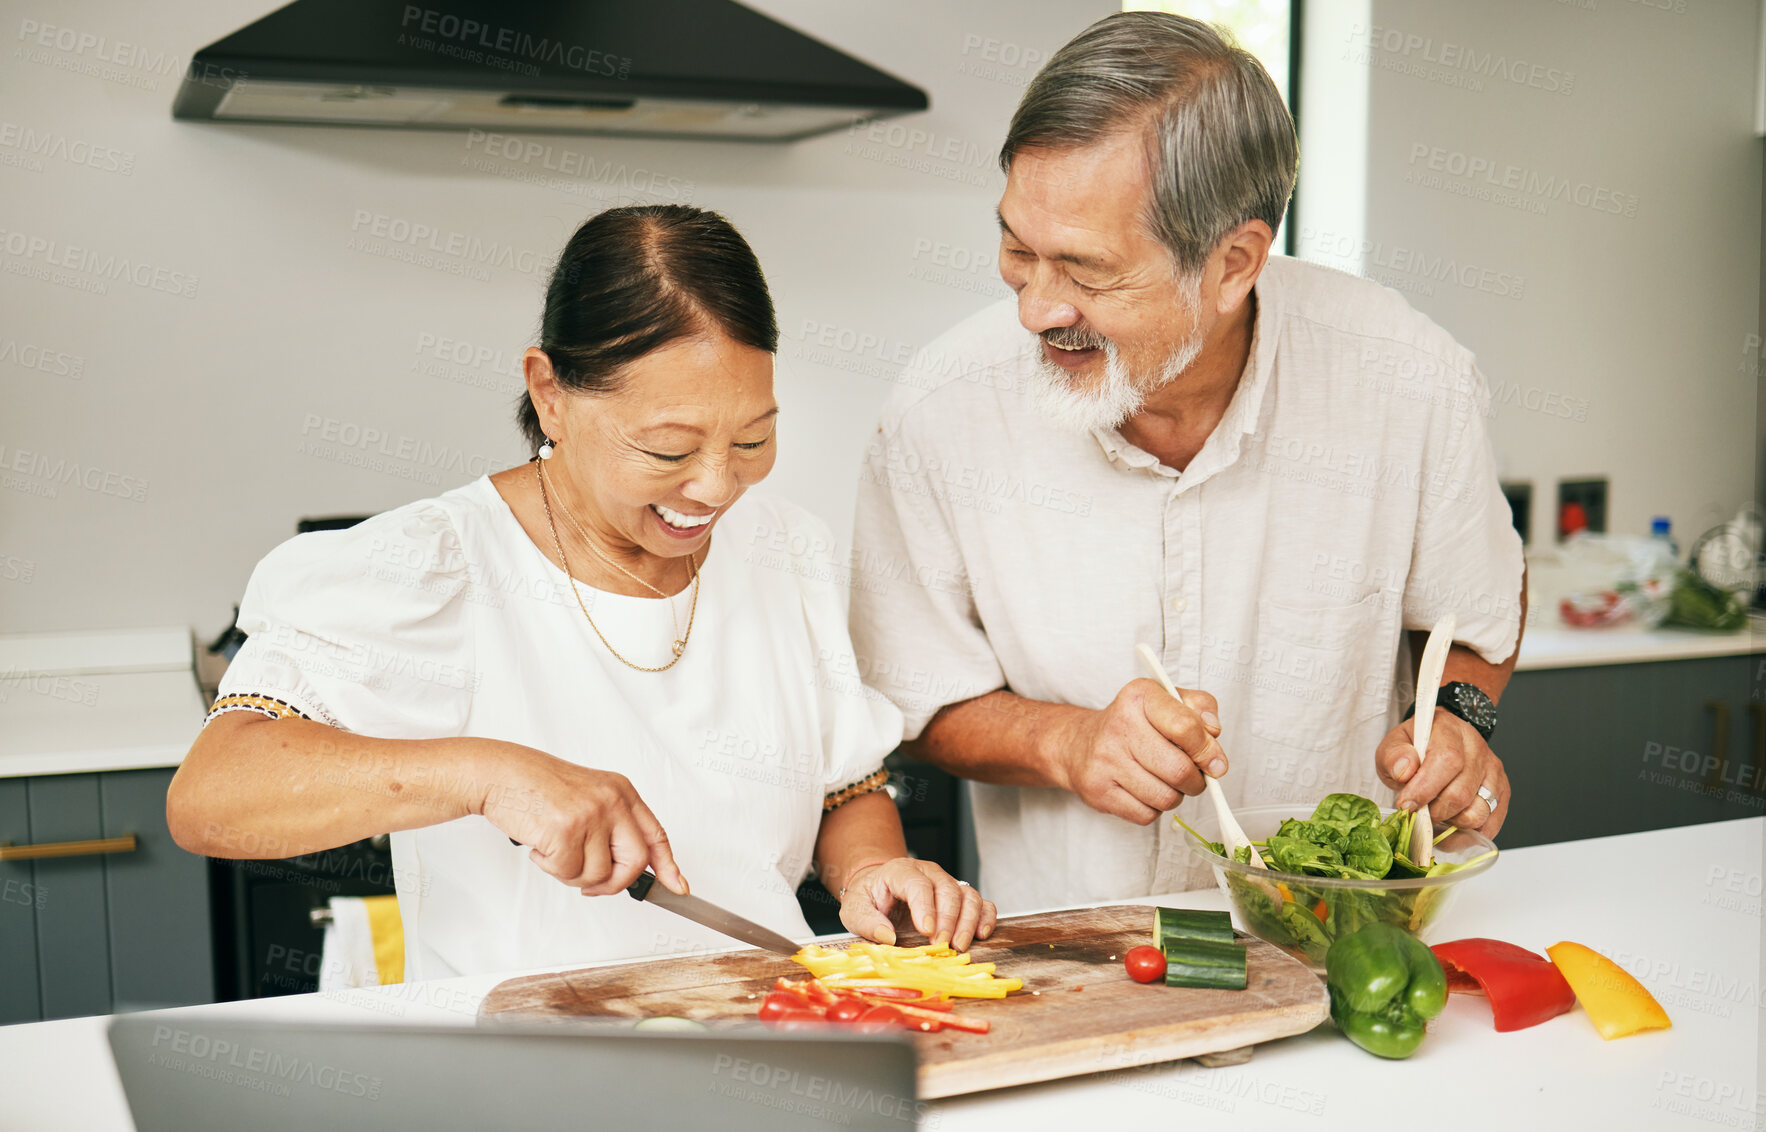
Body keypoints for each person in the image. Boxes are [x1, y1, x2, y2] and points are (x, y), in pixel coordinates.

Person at [168, 205, 995, 981]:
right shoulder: (435, 567)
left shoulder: (784, 549)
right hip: (521, 1070)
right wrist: (491, 774)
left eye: (753, 437)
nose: (714, 486)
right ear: (549, 392)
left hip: (760, 1032)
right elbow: (213, 797)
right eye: (668, 449)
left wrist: (876, 869)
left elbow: (842, 785)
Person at [849, 12, 1526, 912]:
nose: (1036, 310)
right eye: (1017, 249)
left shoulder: (1408, 380)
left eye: (1087, 271)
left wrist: (1457, 723)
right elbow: (911, 694)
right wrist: (1070, 743)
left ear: (1234, 261)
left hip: (1339, 935)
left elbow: (1478, 608)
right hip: (1074, 951)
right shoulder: (941, 408)